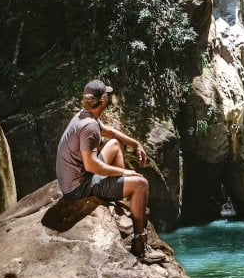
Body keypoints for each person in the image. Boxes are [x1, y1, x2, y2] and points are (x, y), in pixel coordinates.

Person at [56, 79, 166, 264]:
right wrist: (124, 173)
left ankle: (118, 193)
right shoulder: (89, 127)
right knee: (141, 183)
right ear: (104, 99)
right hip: (78, 187)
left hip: (76, 178)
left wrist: (135, 144)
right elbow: (91, 166)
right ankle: (140, 245)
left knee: (114, 145)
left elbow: (110, 133)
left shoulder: (84, 116)